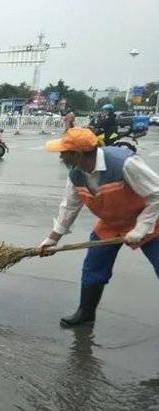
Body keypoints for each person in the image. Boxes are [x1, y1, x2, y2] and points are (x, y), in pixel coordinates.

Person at [39, 127, 159, 328]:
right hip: (111, 223)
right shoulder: (76, 173)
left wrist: (141, 228)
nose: (60, 157)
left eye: (63, 153)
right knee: (94, 266)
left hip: (151, 220)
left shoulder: (124, 164)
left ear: (77, 154)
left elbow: (156, 195)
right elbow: (69, 206)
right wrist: (52, 238)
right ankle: (85, 314)